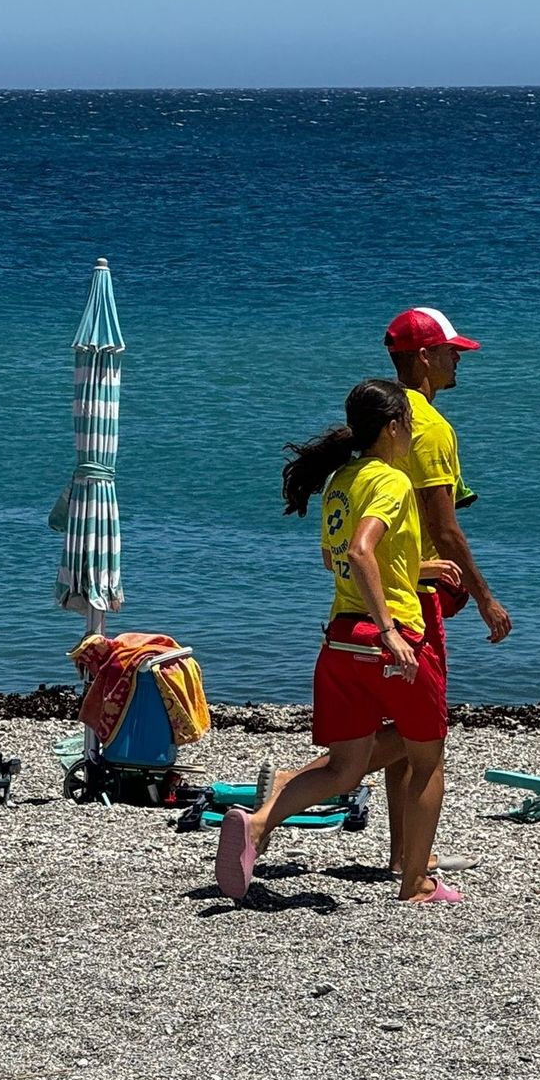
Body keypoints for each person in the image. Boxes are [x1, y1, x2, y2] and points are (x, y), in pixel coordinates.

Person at [272, 306, 511, 880]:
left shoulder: (364, 444)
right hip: (409, 596)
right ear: (424, 358)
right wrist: (484, 596)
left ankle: (406, 855)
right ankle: (399, 856)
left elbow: (352, 545)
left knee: (402, 733)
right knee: (419, 736)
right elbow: (444, 523)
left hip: (374, 595)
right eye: (453, 351)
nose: (459, 360)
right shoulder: (425, 428)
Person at [215, 379, 458, 904]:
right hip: (390, 640)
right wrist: (392, 630)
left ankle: (257, 825)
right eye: (409, 428)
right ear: (393, 428)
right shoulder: (390, 481)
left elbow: (337, 559)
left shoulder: (341, 480)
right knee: (426, 757)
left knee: (343, 767)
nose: (411, 436)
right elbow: (362, 550)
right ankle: (416, 882)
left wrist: (415, 567)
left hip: (342, 641)